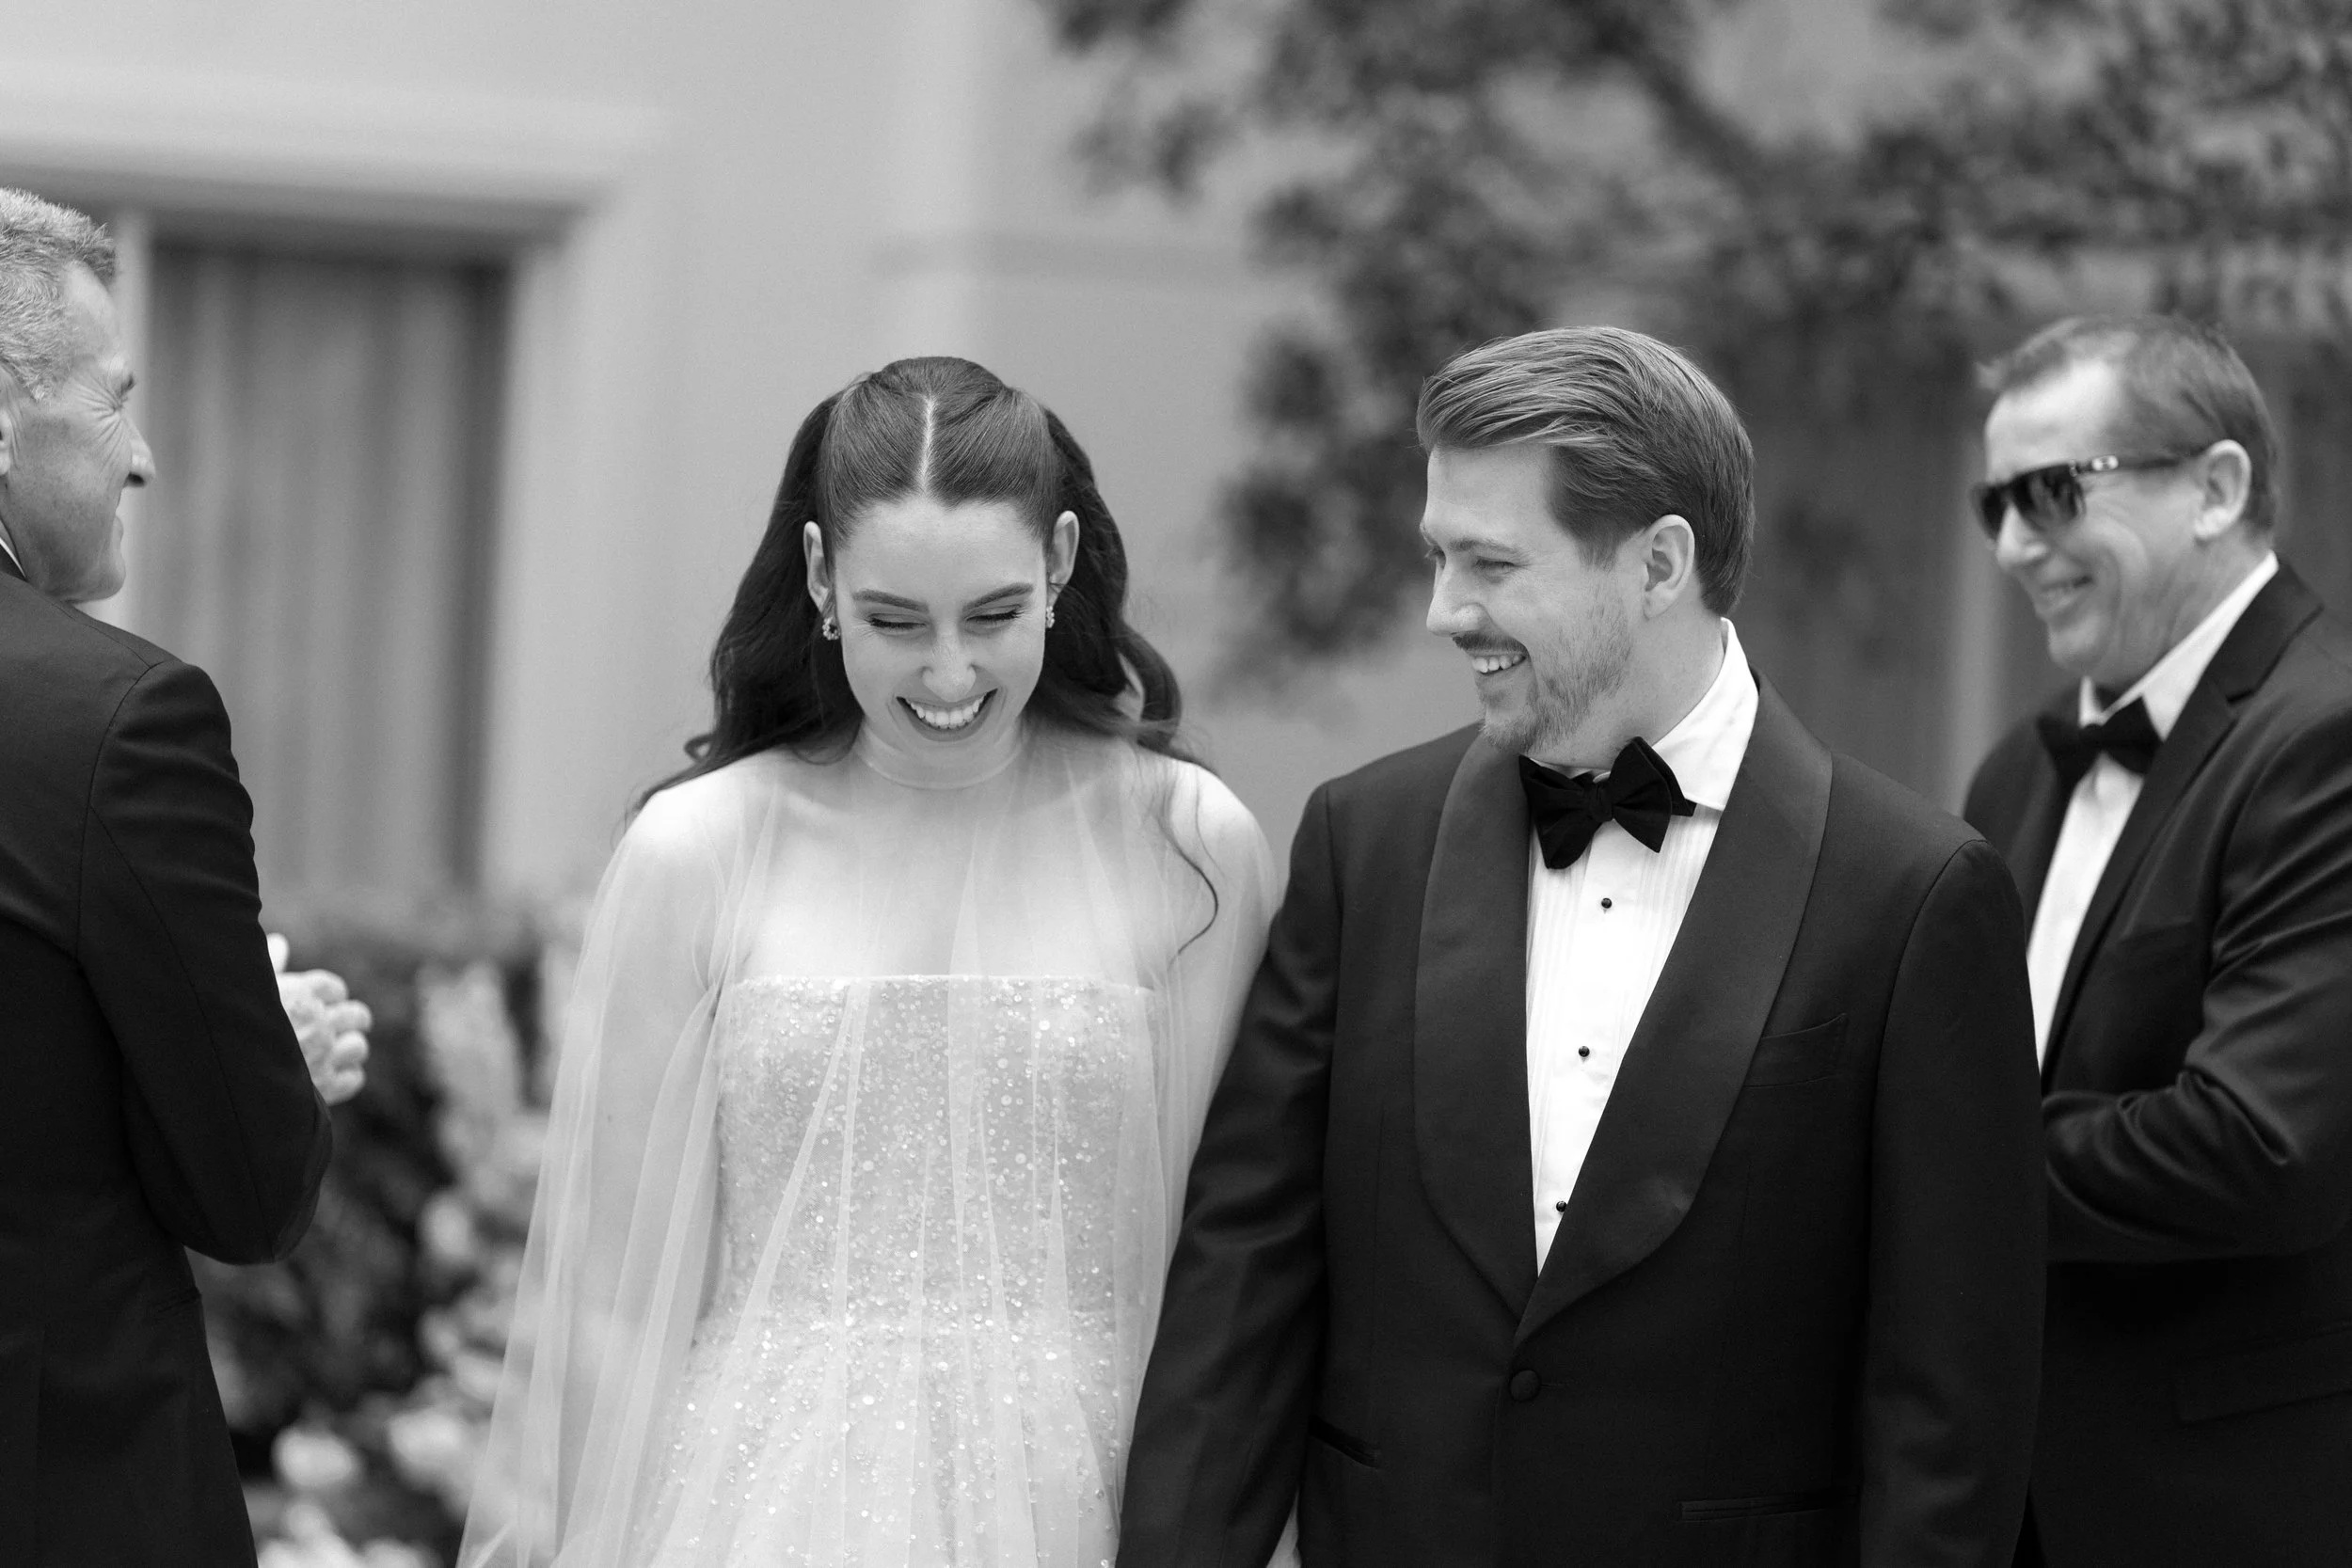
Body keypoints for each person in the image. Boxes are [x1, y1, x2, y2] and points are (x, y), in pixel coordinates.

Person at [1120, 325, 2047, 1568]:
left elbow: (1948, 1409)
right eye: (1440, 557)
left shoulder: (1916, 893)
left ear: (1659, 562)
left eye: (1492, 563)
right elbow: (1245, 1281)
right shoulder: (1363, 843)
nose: (1446, 610)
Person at [459, 356, 1275, 1568]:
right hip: (759, 1503)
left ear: (1058, 563)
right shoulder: (700, 847)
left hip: (1103, 1499)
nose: (949, 675)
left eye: (992, 615)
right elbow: (608, 1302)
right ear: (819, 580)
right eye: (897, 621)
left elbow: (1235, 1268)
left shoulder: (1189, 847)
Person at [0, 187, 370, 1567]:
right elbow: (246, 1188)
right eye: (109, 403)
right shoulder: (113, 721)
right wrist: (268, 1047)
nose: (142, 455)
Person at [1962, 316, 2352, 1568]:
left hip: (2234, 1508)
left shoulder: (2325, 738)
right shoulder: (2013, 771)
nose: (2017, 544)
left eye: (2054, 491)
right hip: (2004, 1505)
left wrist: (1926, 1157)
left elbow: (2261, 1143)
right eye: (1995, 505)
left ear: (2217, 488)